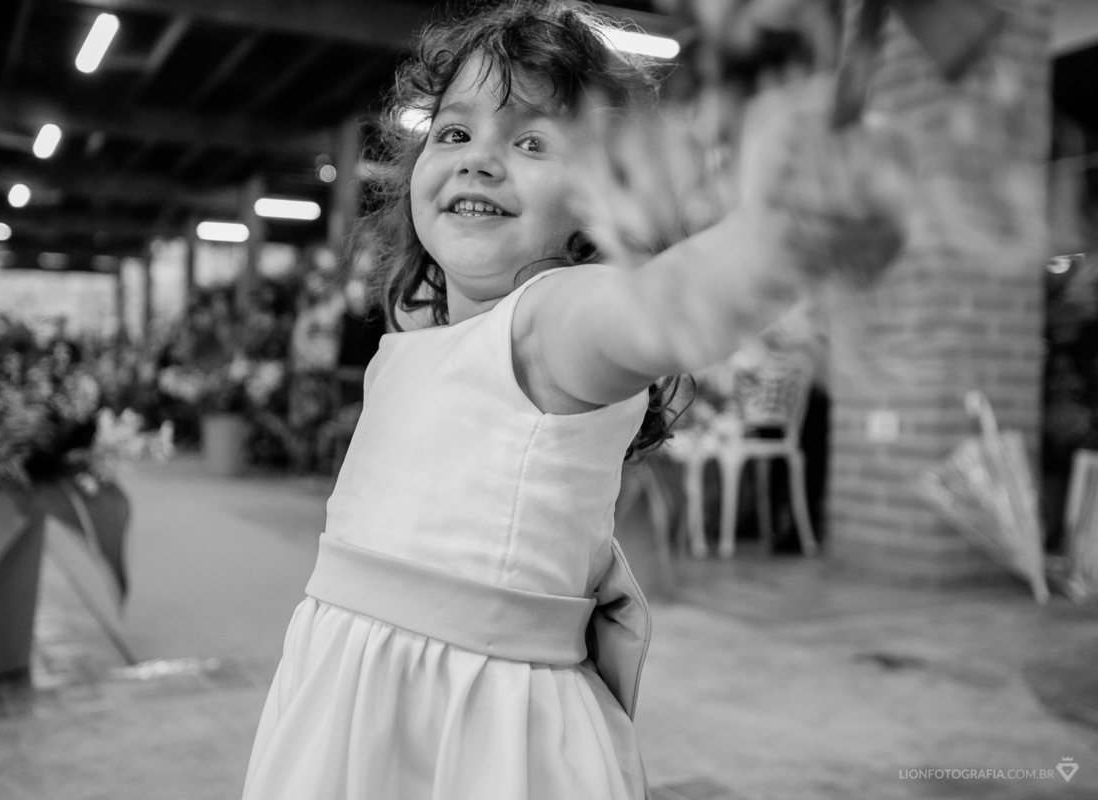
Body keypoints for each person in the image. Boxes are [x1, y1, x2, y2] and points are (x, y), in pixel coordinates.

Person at [242, 2, 907, 799]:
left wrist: (786, 226)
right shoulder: (411, 339)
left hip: (480, 739)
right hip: (345, 699)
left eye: (531, 142)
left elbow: (666, 307)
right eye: (453, 133)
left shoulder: (553, 321)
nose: (478, 160)